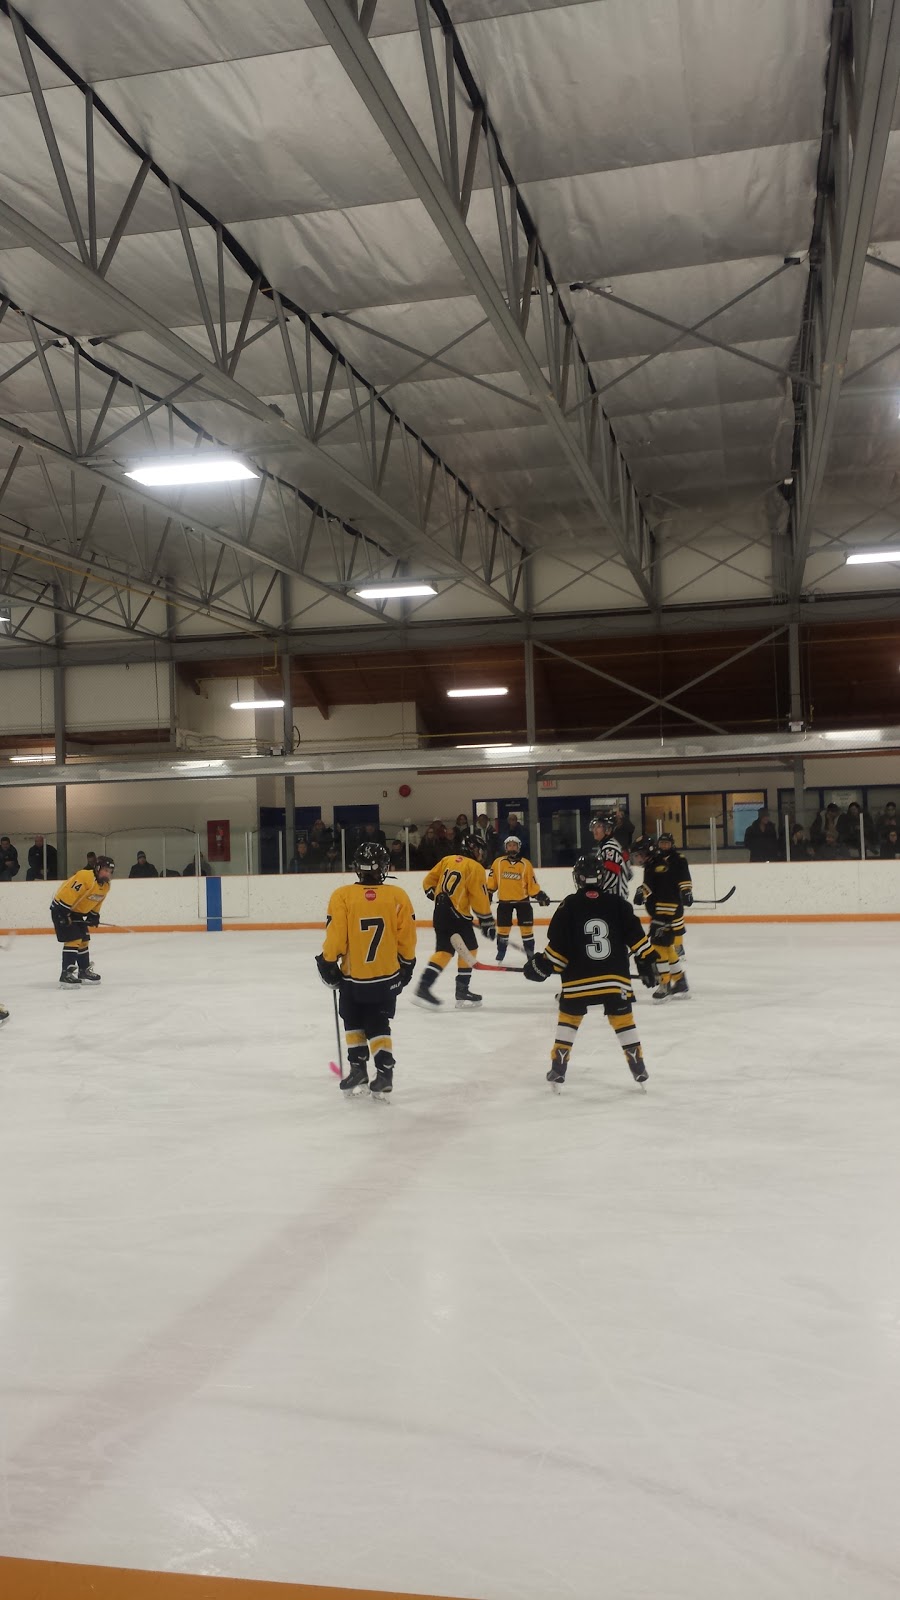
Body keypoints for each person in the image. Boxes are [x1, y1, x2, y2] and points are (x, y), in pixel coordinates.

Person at [522, 853, 657, 1089]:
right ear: (602, 877)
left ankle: (559, 1065)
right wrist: (647, 961)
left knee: (569, 1017)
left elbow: (559, 949)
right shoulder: (618, 904)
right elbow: (637, 937)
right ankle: (637, 1064)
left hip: (578, 980)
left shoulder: (569, 905)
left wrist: (542, 965)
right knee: (623, 1018)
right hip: (615, 979)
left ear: (578, 878)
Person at [316, 842, 416, 1097]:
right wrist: (407, 963)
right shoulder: (398, 896)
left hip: (354, 977)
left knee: (352, 1017)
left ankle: (358, 1067)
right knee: (378, 1021)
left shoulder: (343, 895)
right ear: (383, 867)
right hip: (387, 975)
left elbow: (336, 937)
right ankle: (384, 1072)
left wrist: (328, 960)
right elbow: (407, 937)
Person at [413, 833, 495, 1010]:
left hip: (440, 912)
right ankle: (462, 989)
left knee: (444, 950)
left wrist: (435, 896)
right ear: (472, 849)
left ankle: (424, 986)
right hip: (457, 915)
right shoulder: (475, 867)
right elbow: (479, 897)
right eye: (479, 851)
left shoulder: (448, 860)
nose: (481, 855)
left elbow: (428, 881)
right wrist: (487, 920)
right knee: (470, 947)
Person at [634, 832, 692, 1000]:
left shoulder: (661, 866)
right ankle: (680, 980)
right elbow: (651, 885)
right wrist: (642, 892)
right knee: (667, 948)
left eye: (640, 854)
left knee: (658, 948)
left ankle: (664, 983)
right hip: (663, 913)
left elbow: (667, 893)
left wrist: (662, 919)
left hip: (665, 913)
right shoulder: (654, 864)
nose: (638, 858)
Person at [50, 855, 114, 985]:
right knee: (74, 939)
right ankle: (66, 974)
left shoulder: (106, 886)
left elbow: (97, 901)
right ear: (98, 868)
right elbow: (69, 892)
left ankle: (83, 970)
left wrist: (94, 915)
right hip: (61, 909)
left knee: (84, 939)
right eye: (105, 870)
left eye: (110, 871)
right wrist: (63, 913)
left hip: (76, 913)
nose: (108, 874)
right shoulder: (85, 876)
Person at [486, 834, 551, 962]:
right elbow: (492, 881)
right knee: (503, 929)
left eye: (514, 845)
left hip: (523, 902)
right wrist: (489, 893)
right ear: (505, 848)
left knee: (527, 930)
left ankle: (530, 954)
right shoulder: (498, 863)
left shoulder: (526, 864)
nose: (512, 848)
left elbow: (532, 884)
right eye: (509, 845)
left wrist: (539, 895)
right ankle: (501, 952)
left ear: (518, 847)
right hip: (504, 902)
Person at [589, 813, 631, 898]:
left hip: (614, 899)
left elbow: (611, 876)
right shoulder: (606, 846)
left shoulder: (610, 848)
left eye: (598, 826)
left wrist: (597, 891)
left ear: (608, 829)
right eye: (594, 827)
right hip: (612, 898)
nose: (594, 830)